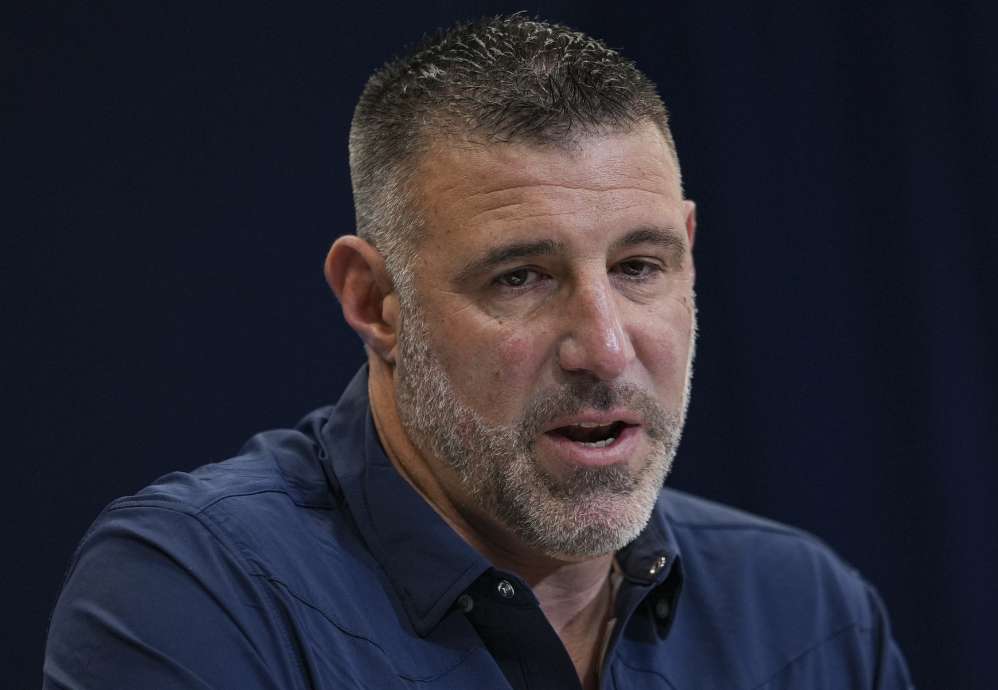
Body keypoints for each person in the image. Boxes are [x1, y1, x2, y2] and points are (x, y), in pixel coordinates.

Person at [44, 15, 913, 690]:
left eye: (639, 267)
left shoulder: (810, 618)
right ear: (374, 300)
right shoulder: (195, 594)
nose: (605, 349)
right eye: (522, 278)